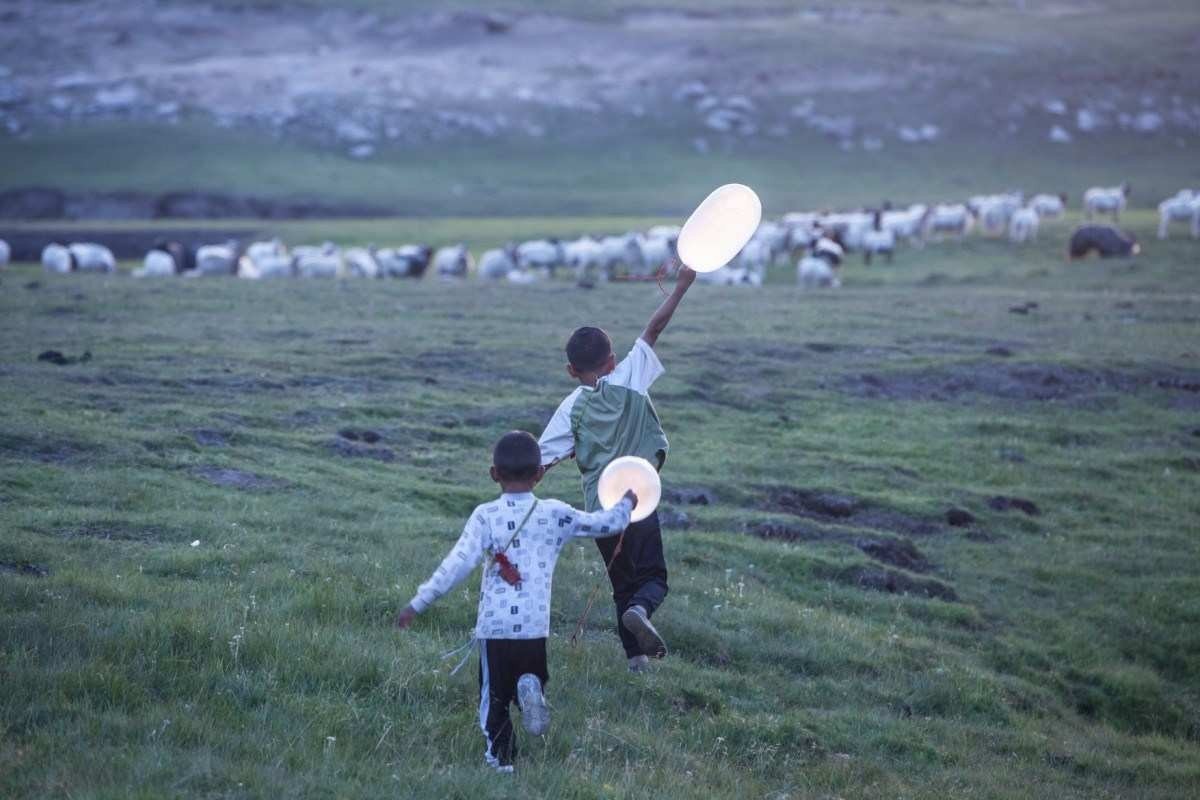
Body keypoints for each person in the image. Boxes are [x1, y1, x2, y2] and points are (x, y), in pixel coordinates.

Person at [395, 431, 637, 773]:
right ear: (539, 473)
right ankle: (532, 688)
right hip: (533, 627)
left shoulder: (485, 516)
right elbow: (604, 524)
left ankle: (501, 762)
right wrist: (626, 503)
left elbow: (456, 564)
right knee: (529, 674)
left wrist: (418, 603)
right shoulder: (554, 513)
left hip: (495, 628)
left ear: (494, 474)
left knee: (493, 701)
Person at [538, 259, 696, 672]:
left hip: (599, 511)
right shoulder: (629, 377)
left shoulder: (569, 409)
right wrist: (680, 286)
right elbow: (654, 328)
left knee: (619, 583)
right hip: (638, 499)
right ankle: (642, 611)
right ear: (611, 360)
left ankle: (635, 662)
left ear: (572, 371)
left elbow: (538, 464)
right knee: (652, 577)